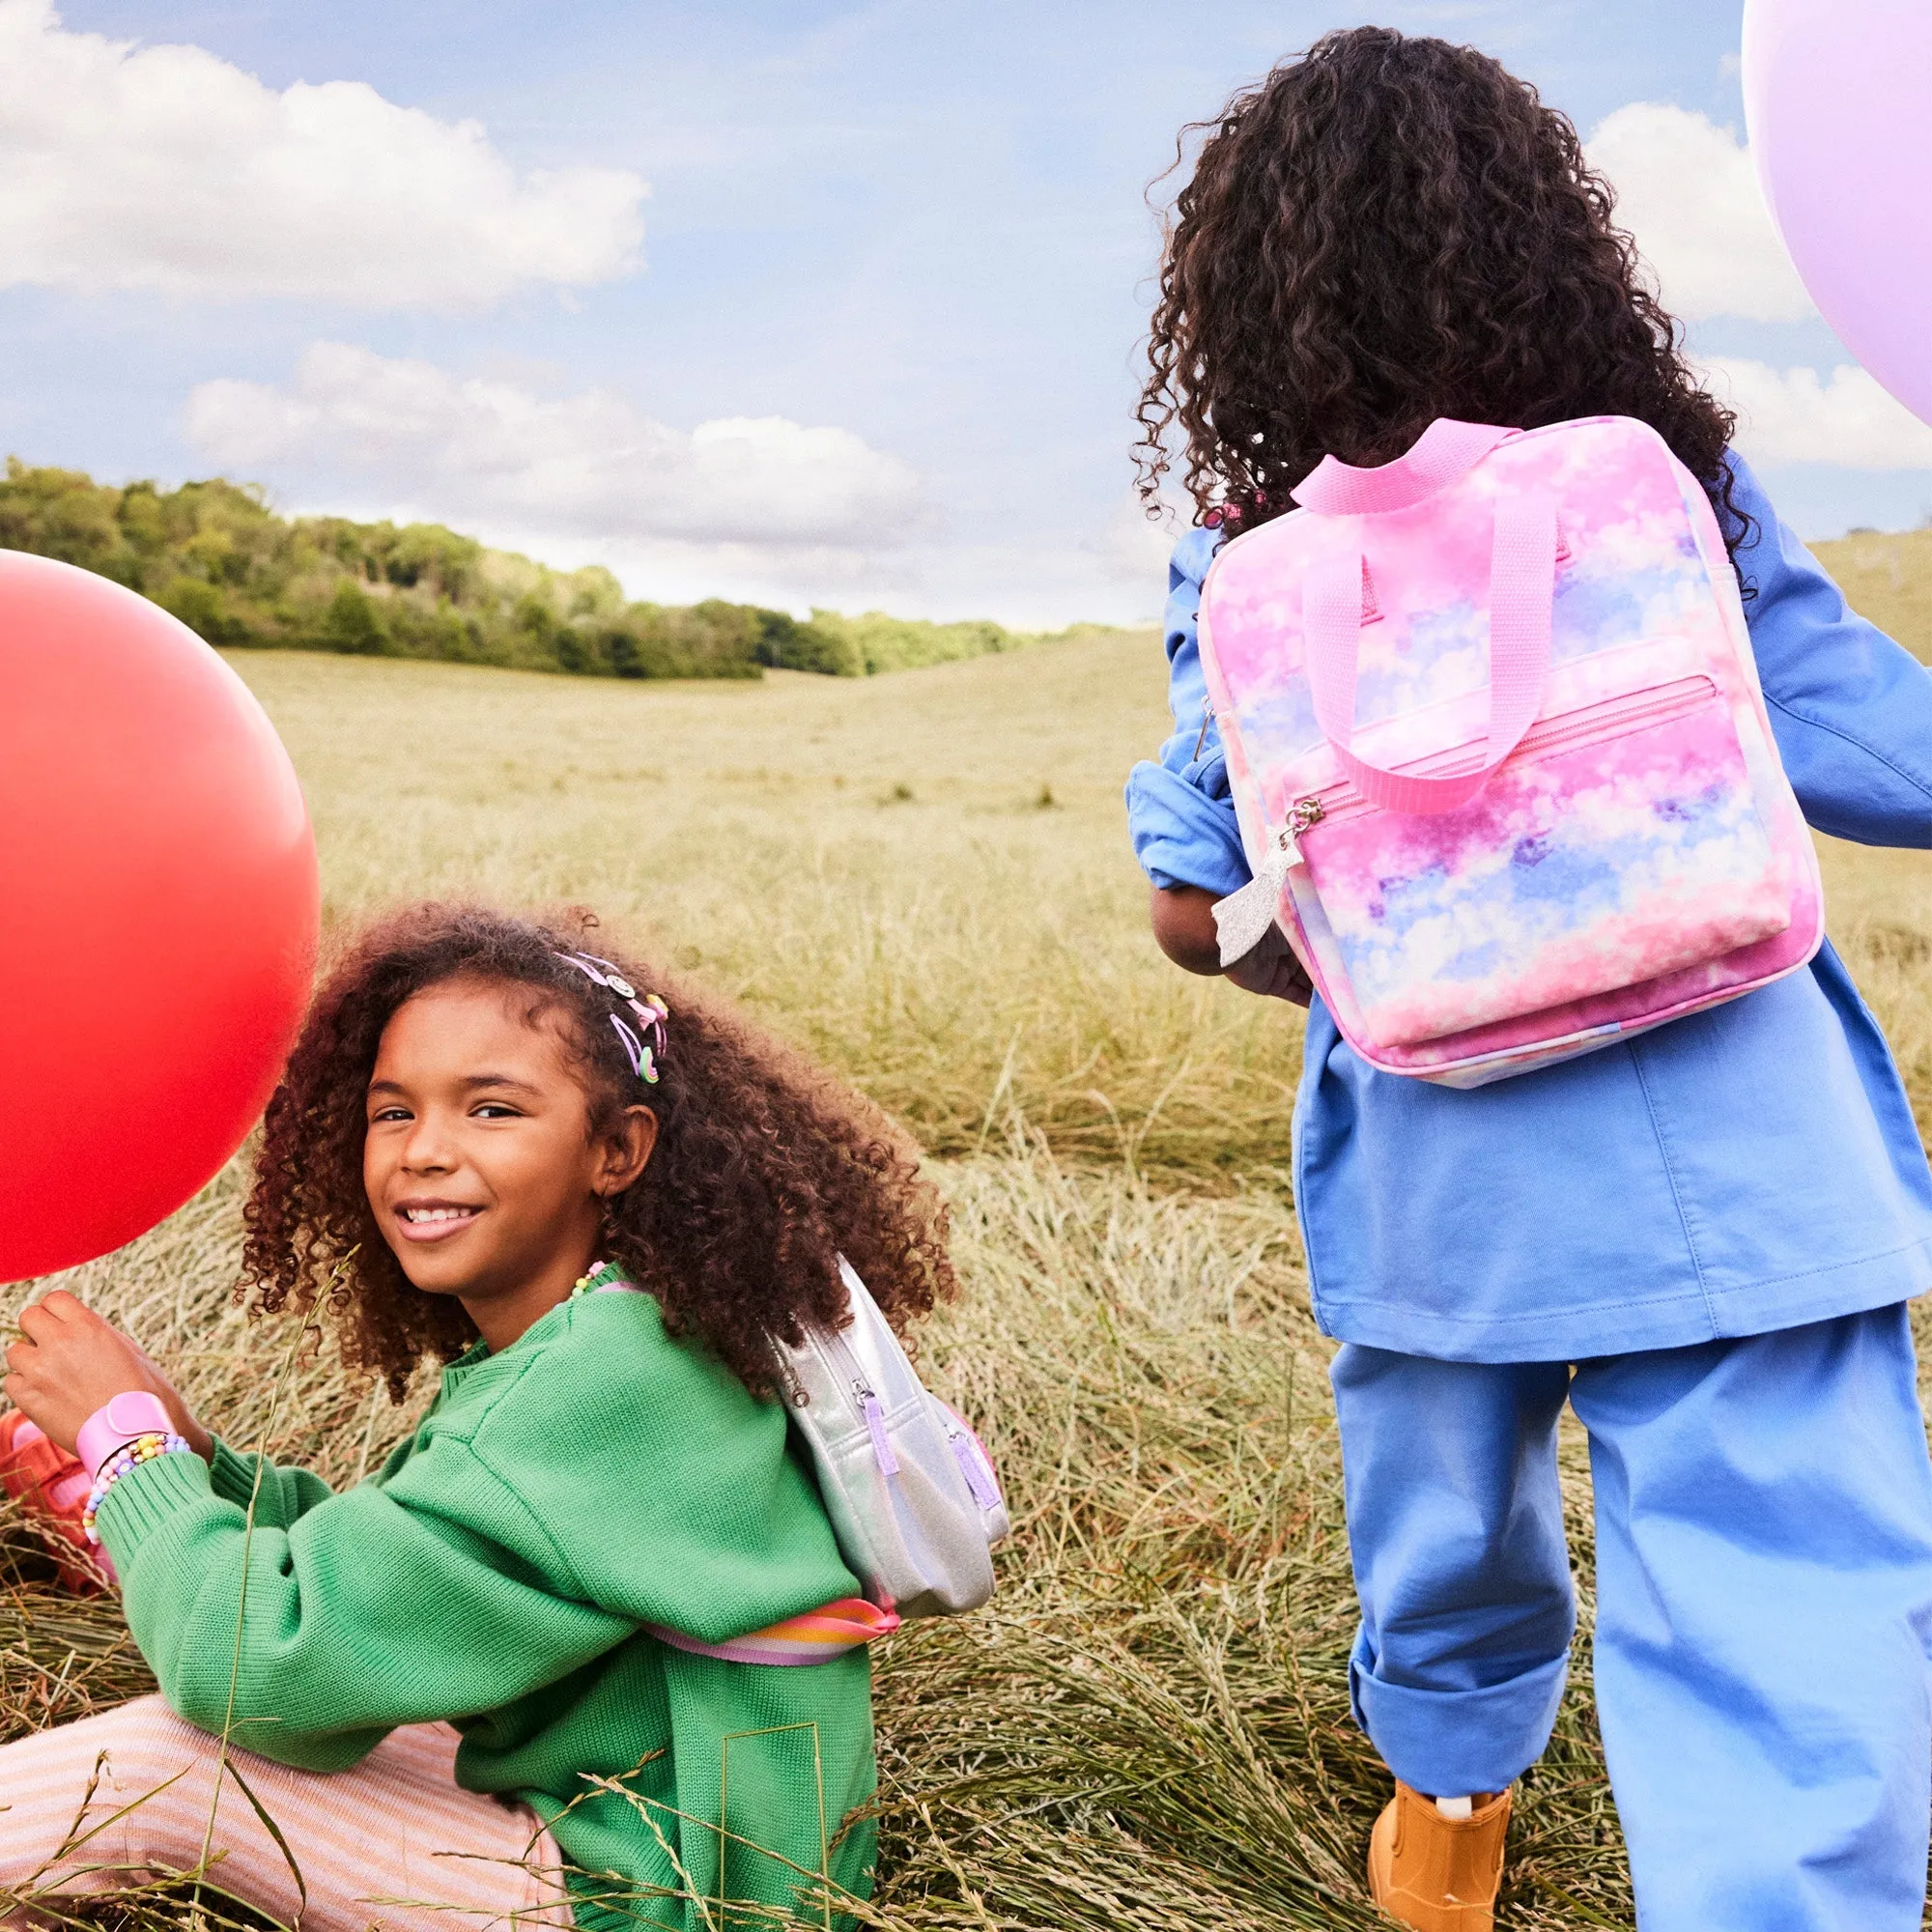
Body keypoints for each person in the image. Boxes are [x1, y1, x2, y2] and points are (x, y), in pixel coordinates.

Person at [1127, 29, 1932, 1932]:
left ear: (1238, 301)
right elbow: (1875, 752)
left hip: (1434, 1168)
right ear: (1550, 242)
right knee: (1781, 1595)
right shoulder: (1667, 492)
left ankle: (1455, 1803)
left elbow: (1192, 893)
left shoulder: (1242, 554)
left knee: (1441, 1530)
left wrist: (1399, 942)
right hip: (1746, 1154)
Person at [0, 902, 952, 1932]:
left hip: (668, 1898)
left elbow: (256, 1667)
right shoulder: (612, 1330)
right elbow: (402, 1563)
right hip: (655, 1830)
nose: (424, 1150)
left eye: (491, 1109)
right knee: (297, 1730)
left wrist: (131, 1452)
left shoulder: (607, 1378)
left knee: (155, 1763)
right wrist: (195, 1459)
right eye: (393, 1110)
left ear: (618, 1149)